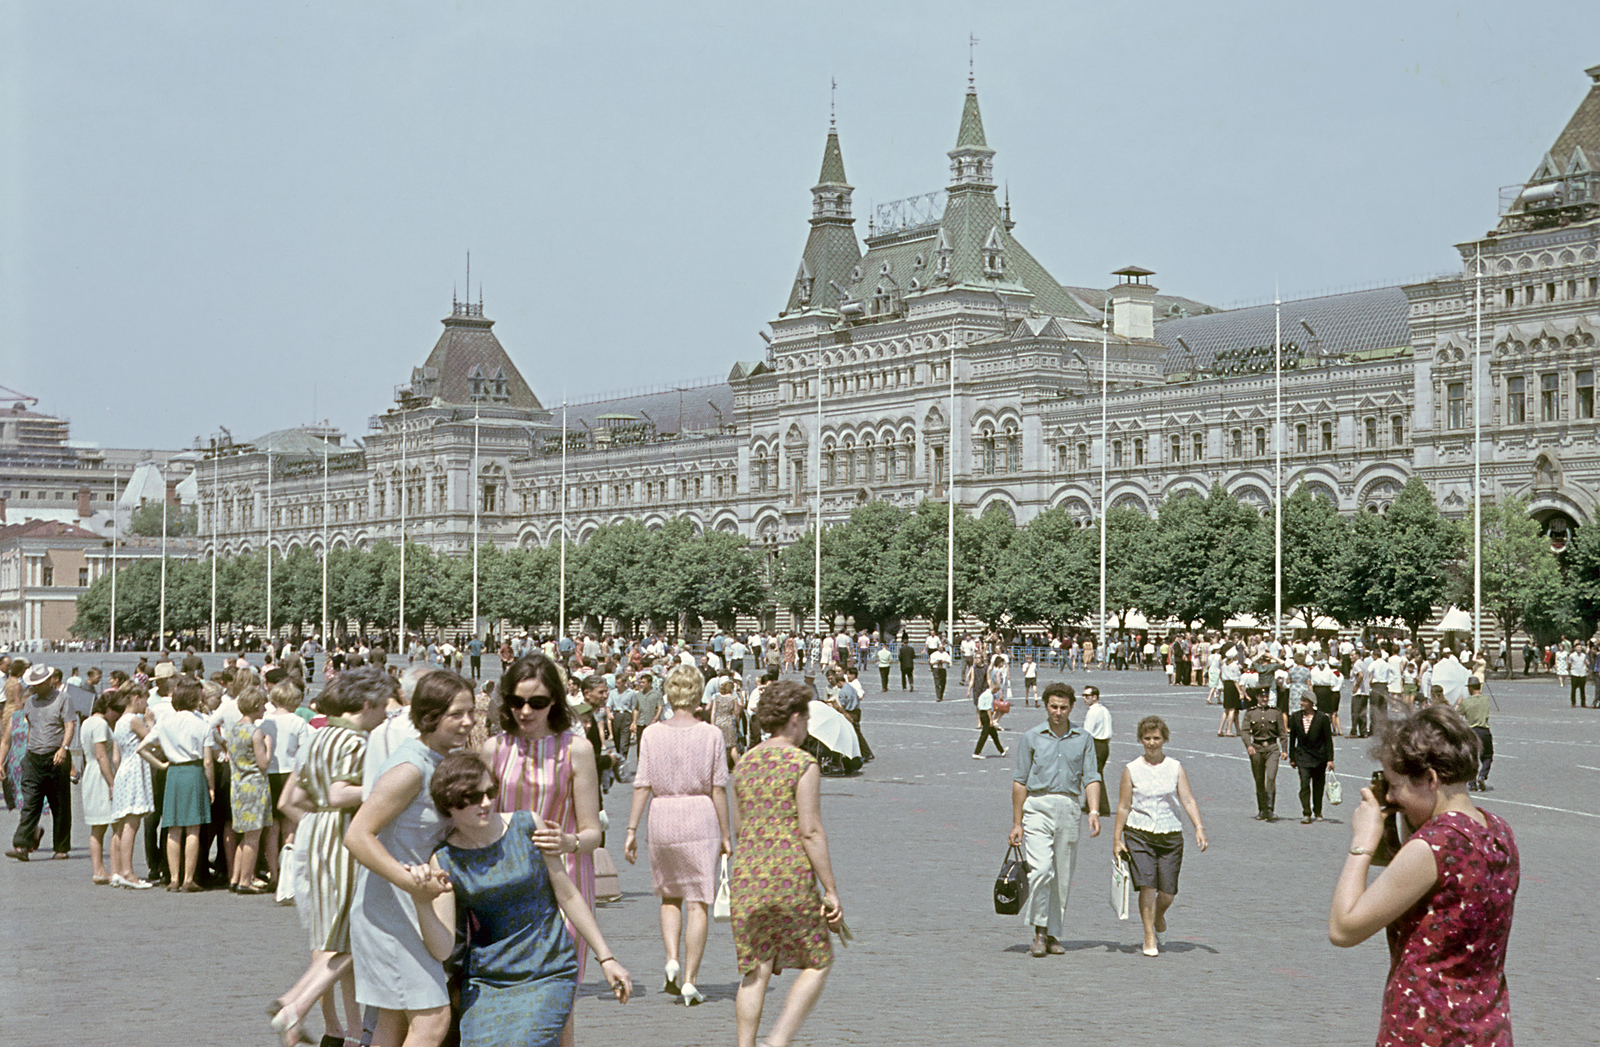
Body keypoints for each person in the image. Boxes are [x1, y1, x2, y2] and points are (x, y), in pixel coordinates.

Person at [410, 752, 632, 1047]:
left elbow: (566, 893)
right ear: (449, 804)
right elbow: (442, 947)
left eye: (490, 791)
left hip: (548, 969)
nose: (487, 803)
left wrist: (607, 958)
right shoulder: (445, 859)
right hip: (489, 979)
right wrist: (421, 900)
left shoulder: (527, 825)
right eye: (473, 797)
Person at [1329, 705, 1518, 1045]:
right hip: (1486, 1026)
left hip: (1425, 1028)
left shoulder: (1431, 847)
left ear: (1430, 779)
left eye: (1396, 786)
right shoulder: (1499, 832)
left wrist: (1363, 841)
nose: (1390, 796)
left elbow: (1344, 928)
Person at [346, 669, 475, 1047]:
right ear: (431, 716)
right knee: (432, 1020)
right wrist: (407, 882)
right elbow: (357, 835)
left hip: (411, 903)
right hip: (392, 906)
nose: (467, 722)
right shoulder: (410, 768)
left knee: (391, 1022)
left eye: (470, 713)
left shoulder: (436, 760)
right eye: (457, 714)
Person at [481, 654, 602, 1047]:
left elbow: (593, 833)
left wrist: (569, 841)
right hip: (505, 878)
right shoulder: (494, 749)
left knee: (559, 989)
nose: (525, 711)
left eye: (537, 702)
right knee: (511, 988)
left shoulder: (576, 749)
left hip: (563, 876)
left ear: (556, 702)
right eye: (516, 702)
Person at [269, 668, 393, 1047]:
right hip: (344, 835)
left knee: (333, 937)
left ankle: (322, 1017)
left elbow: (299, 796)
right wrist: (383, 786)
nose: (386, 715)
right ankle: (296, 1004)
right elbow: (341, 794)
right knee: (356, 935)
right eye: (383, 706)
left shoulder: (321, 737)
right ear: (367, 704)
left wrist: (317, 818)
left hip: (320, 833)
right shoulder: (356, 741)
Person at [731, 681, 843, 1047]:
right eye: (806, 718)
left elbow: (739, 827)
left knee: (755, 970)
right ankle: (777, 1040)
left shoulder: (745, 763)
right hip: (789, 874)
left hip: (747, 875)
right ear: (795, 719)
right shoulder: (802, 763)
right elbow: (810, 830)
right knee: (818, 959)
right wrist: (830, 889)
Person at [623, 663, 731, 1007]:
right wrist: (727, 834)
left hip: (663, 815)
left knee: (669, 895)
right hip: (700, 816)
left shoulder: (651, 734)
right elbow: (718, 789)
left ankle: (671, 958)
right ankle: (690, 979)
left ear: (668, 694)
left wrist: (630, 830)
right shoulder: (712, 734)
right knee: (698, 899)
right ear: (699, 695)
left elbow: (642, 784)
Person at [1008, 682, 1103, 958]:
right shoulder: (1031, 737)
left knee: (1061, 874)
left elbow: (1092, 777)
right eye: (1053, 707)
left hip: (1069, 807)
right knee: (1041, 870)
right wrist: (1017, 823)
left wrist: (1093, 811)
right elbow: (1019, 781)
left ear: (1072, 707)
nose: (1058, 712)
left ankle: (1051, 933)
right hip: (1037, 806)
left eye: (1063, 707)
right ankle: (1038, 930)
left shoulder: (1083, 738)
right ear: (1045, 706)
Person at [1112, 715, 1207, 956]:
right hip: (1139, 833)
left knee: (1168, 891)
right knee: (1147, 885)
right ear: (1140, 740)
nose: (1152, 743)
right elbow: (1123, 805)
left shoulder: (1174, 767)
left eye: (1156, 738)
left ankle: (1159, 916)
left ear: (1164, 739)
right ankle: (1149, 937)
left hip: (1170, 834)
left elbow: (1187, 798)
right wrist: (1117, 838)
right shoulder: (1131, 769)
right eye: (1147, 738)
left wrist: (1198, 827)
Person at [140, 677, 216, 891]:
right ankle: (188, 878)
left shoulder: (165, 722)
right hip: (193, 771)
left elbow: (142, 748)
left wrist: (161, 764)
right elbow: (208, 760)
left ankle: (173, 877)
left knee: (173, 827)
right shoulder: (202, 723)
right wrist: (211, 785)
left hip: (173, 772)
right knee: (193, 829)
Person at [7, 664, 76, 861]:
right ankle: (21, 845)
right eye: (33, 684)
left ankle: (61, 847)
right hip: (34, 757)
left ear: (49, 681)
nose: (36, 687)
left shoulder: (63, 699)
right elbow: (30, 728)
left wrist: (64, 748)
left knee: (60, 803)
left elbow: (70, 725)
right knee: (30, 802)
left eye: (39, 684)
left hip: (56, 756)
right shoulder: (30, 702)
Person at [108, 686, 157, 888]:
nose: (146, 704)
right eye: (145, 699)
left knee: (121, 824)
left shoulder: (119, 721)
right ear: (136, 698)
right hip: (135, 768)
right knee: (131, 822)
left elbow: (116, 756)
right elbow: (153, 739)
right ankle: (128, 872)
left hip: (124, 770)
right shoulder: (134, 720)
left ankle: (117, 871)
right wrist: (151, 722)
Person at [226, 686, 273, 893]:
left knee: (245, 835)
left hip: (237, 786)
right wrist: (269, 745)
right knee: (254, 837)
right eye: (262, 704)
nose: (264, 708)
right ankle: (245, 880)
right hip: (254, 786)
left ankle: (236, 877)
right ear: (255, 706)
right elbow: (263, 763)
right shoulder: (255, 732)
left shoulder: (234, 728)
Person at [80, 691, 127, 883]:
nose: (117, 715)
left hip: (90, 772)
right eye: (116, 711)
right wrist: (112, 783)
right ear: (108, 708)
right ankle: (113, 870)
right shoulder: (100, 724)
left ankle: (98, 869)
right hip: (101, 774)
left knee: (97, 827)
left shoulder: (87, 722)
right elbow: (101, 755)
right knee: (116, 824)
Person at [1240, 685, 1287, 821]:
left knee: (1271, 777)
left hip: (1272, 748)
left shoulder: (1275, 712)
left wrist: (1284, 749)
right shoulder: (1251, 713)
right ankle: (1262, 809)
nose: (1264, 699)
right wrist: (1248, 745)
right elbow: (1245, 731)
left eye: (1266, 696)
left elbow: (1282, 732)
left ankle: (1270, 809)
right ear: (1257, 698)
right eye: (1262, 697)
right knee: (1259, 779)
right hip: (1257, 748)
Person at [1287, 692, 1335, 823]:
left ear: (1311, 703)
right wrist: (1292, 757)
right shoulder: (1295, 717)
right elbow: (1292, 740)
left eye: (1304, 701)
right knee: (1304, 785)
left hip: (1319, 757)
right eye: (1301, 700)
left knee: (1318, 786)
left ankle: (1318, 811)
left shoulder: (1322, 718)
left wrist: (1330, 759)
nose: (1301, 703)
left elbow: (1328, 740)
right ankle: (1306, 812)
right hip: (1302, 757)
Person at [1457, 675, 1494, 792]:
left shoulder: (1465, 703)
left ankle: (1472, 782)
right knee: (1487, 756)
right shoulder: (1486, 699)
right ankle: (1482, 775)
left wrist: (1459, 704)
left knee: (1472, 758)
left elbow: (1456, 716)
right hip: (1484, 730)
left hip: (1471, 731)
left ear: (1470, 688)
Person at [1081, 685, 1113, 817]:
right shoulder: (1105, 710)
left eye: (1087, 696)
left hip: (1095, 744)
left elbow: (1087, 732)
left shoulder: (1093, 712)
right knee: (1095, 773)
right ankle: (1089, 803)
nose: (1084, 698)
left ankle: (1103, 806)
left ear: (1094, 697)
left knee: (1095, 775)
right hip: (1104, 745)